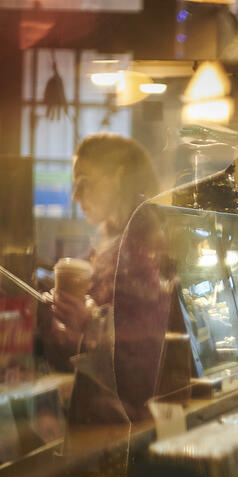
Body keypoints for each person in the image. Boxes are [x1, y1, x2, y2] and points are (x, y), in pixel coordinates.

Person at [44, 133, 159, 375]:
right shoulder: (107, 239)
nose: (75, 196)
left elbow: (153, 336)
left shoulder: (149, 244)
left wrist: (91, 320)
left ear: (118, 177)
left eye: (84, 182)